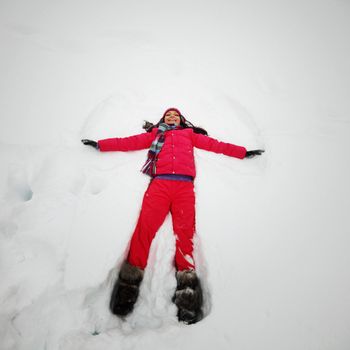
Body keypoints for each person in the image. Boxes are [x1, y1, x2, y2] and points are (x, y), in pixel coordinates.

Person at [81, 108, 264, 324]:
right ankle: (127, 289)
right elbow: (127, 142)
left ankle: (187, 297)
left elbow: (217, 145)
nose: (171, 118)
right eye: (168, 116)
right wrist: (101, 144)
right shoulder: (155, 135)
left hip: (184, 188)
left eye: (175, 116)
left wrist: (243, 152)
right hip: (159, 185)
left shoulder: (189, 135)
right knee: (144, 231)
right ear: (162, 119)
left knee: (184, 236)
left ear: (181, 120)